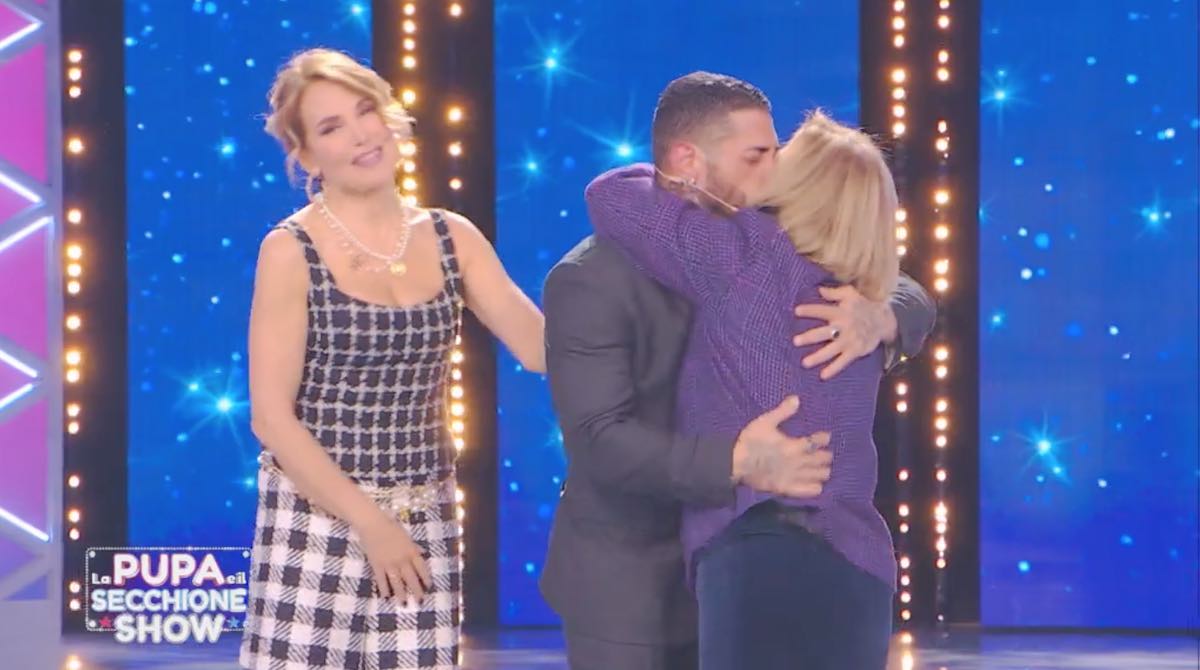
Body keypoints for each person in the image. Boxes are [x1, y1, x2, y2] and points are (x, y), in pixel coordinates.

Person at [543, 72, 934, 670]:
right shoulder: (596, 276)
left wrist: (887, 314)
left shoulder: (764, 257)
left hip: (755, 552)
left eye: (780, 157)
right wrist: (736, 461)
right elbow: (600, 440)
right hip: (641, 580)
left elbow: (612, 189)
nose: (771, 171)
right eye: (758, 156)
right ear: (687, 162)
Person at [240, 48, 544, 670]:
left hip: (423, 518)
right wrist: (370, 524)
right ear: (305, 156)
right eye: (332, 127)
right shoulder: (291, 250)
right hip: (317, 518)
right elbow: (271, 418)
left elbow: (543, 350)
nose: (361, 135)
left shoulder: (452, 236)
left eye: (365, 111)